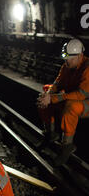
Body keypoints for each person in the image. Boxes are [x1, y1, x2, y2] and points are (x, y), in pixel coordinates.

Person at [37, 38, 89, 166]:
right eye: (65, 57)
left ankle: (67, 146)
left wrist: (54, 98)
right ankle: (50, 133)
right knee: (43, 96)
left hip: (85, 101)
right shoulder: (67, 66)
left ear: (80, 56)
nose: (67, 61)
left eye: (70, 58)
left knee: (71, 107)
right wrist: (47, 95)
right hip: (71, 97)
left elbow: (81, 94)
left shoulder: (87, 69)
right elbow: (56, 83)